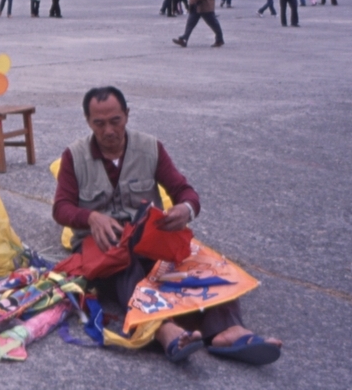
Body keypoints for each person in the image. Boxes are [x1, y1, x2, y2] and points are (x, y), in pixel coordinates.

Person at [53, 87, 282, 365]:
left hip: (147, 236)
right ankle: (163, 329)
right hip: (102, 246)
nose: (109, 130)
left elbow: (185, 191)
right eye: (99, 123)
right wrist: (91, 217)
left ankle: (227, 329)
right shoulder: (74, 156)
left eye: (115, 121)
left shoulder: (150, 148)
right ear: (88, 121)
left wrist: (185, 210)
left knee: (199, 262)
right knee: (122, 262)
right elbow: (61, 208)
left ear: (127, 115)